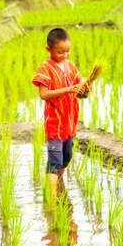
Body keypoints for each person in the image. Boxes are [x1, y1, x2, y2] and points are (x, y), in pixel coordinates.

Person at [32, 28, 87, 193]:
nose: (65, 55)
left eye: (67, 51)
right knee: (55, 160)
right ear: (49, 50)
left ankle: (57, 187)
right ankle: (50, 197)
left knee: (66, 158)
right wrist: (68, 89)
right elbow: (44, 94)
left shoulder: (70, 66)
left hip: (70, 123)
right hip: (55, 123)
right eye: (60, 52)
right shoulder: (45, 68)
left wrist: (84, 90)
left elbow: (78, 90)